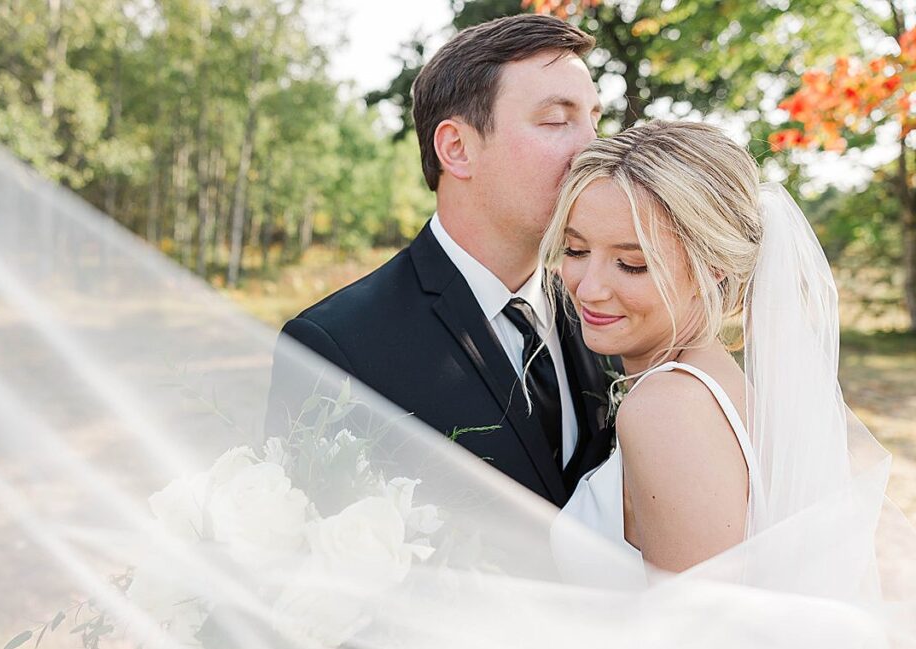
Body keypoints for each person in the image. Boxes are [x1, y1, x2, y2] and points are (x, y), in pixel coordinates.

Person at [266, 14, 614, 506]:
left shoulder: (610, 310)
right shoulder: (335, 349)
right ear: (457, 149)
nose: (592, 150)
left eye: (595, 120)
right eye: (557, 120)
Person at [544, 120, 857, 574]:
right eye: (574, 251)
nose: (588, 288)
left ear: (711, 268)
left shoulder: (667, 408)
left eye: (632, 264)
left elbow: (699, 639)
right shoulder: (723, 383)